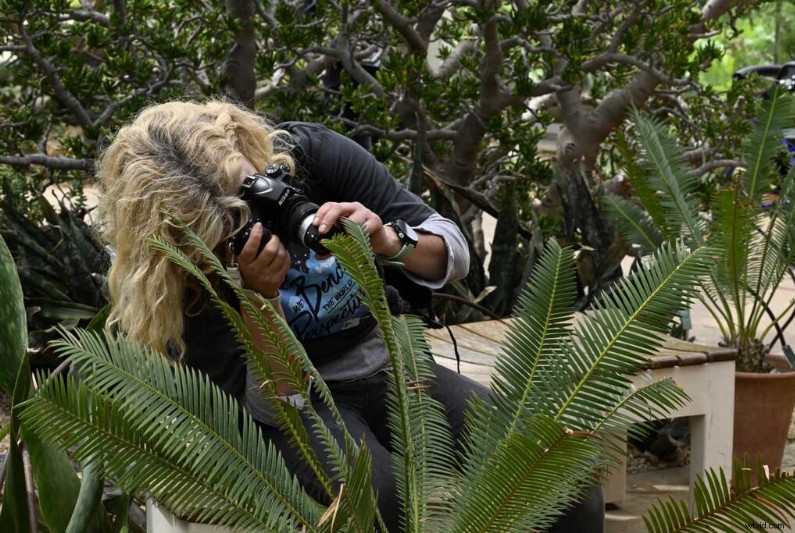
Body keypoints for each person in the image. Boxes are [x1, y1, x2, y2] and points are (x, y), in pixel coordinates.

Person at [95, 100, 603, 532]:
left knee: (558, 470)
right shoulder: (178, 268)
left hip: (394, 370)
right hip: (301, 403)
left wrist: (387, 240)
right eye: (228, 227)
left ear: (250, 155)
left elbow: (453, 256)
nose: (250, 224)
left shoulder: (309, 156)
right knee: (375, 499)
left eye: (251, 197)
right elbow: (276, 410)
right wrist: (260, 300)